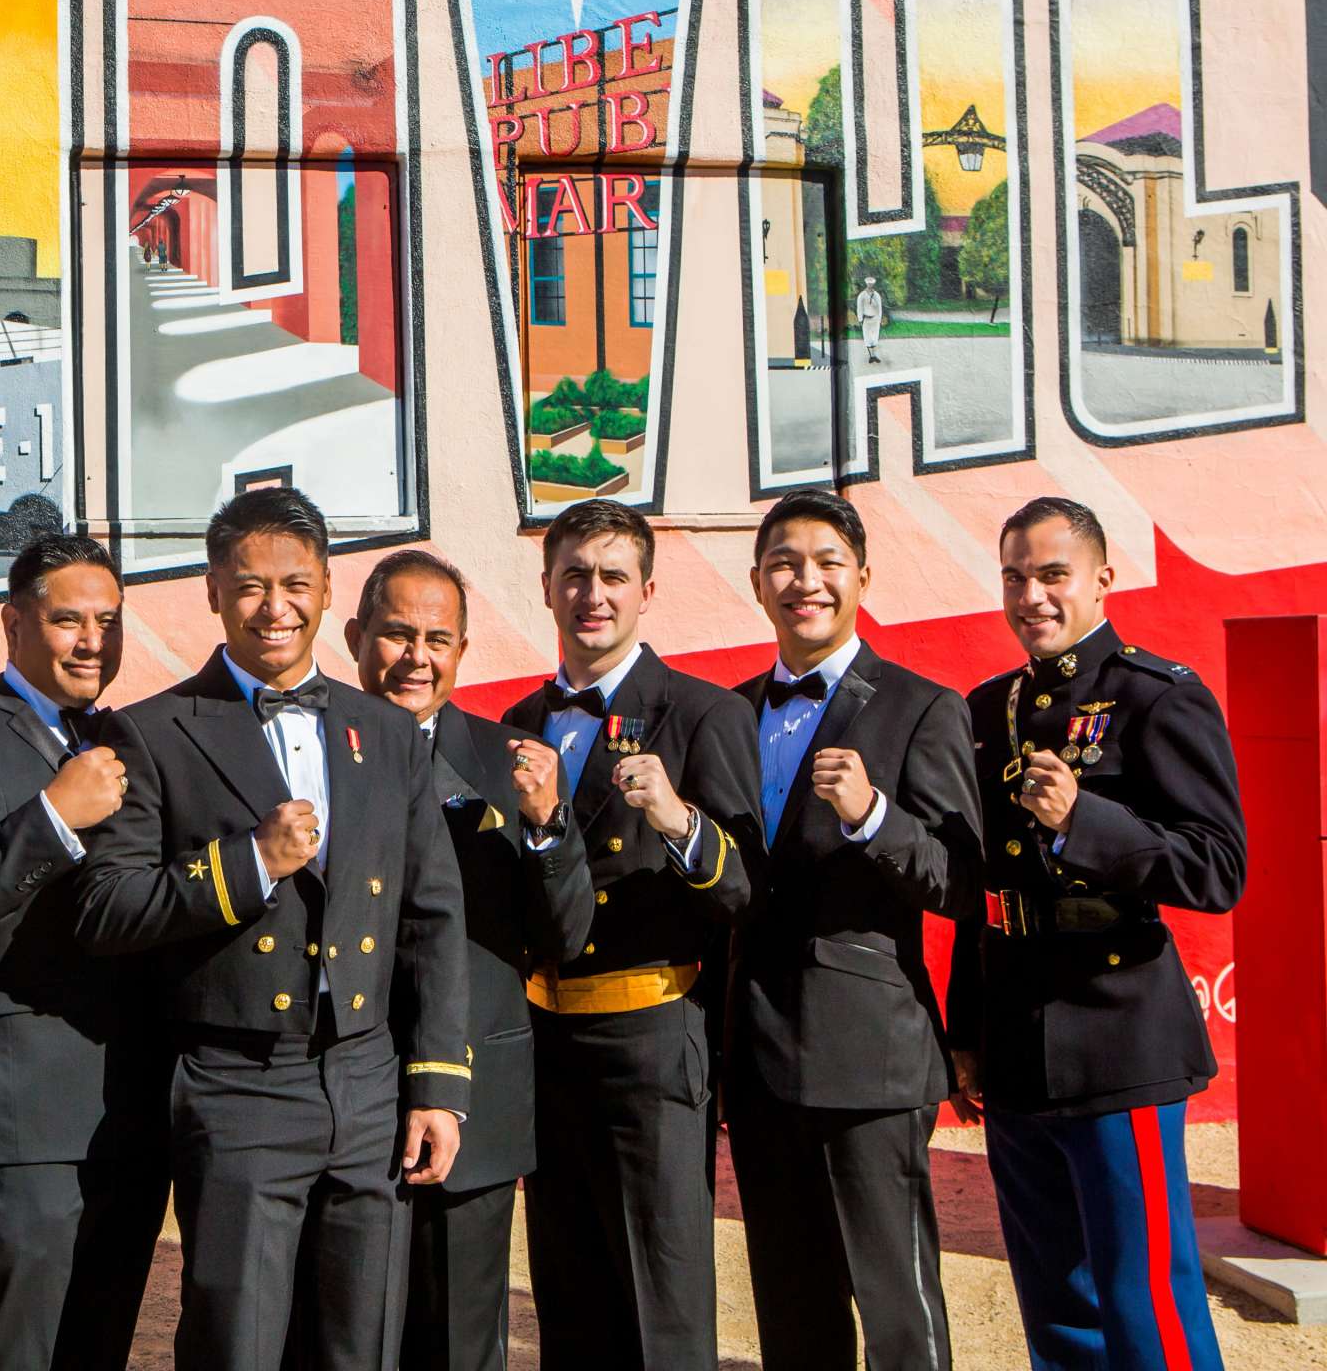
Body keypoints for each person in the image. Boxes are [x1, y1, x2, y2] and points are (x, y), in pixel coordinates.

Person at [75, 485, 470, 1371]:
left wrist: (437, 1084)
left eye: (295, 583)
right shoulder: (153, 732)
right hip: (237, 1079)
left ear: (329, 591)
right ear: (212, 592)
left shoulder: (389, 731)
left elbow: (431, 918)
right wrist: (248, 862)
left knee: (359, 1344)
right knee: (237, 1345)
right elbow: (108, 908)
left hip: (367, 1079)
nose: (274, 607)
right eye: (250, 585)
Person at [949, 497, 1241, 1371]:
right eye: (1014, 577)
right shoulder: (986, 706)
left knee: (1142, 1293)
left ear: (1101, 580)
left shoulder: (1158, 697)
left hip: (1119, 1033)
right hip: (1016, 1034)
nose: (1031, 596)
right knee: (1054, 1302)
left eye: (1051, 575)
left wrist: (1088, 822)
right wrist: (967, 1030)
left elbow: (1217, 869)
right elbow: (981, 884)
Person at [498, 497, 762, 1371]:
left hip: (649, 1036)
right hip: (547, 1038)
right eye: (574, 575)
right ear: (546, 588)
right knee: (569, 1292)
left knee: (662, 1296)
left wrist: (680, 818)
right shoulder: (521, 724)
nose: (592, 595)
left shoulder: (703, 713)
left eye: (613, 576)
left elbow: (743, 886)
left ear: (648, 590)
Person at [0, 534, 168, 1371]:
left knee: (98, 1348)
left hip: (132, 1109)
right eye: (68, 620)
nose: (93, 640)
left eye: (108, 620)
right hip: (22, 1121)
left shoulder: (136, 738)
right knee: (15, 1353)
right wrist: (50, 815)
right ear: (14, 624)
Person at [727, 489, 981, 1370]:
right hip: (753, 1056)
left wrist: (874, 815)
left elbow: (960, 879)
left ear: (863, 578)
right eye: (786, 564)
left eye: (828, 562)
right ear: (757, 582)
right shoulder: (726, 711)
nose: (807, 581)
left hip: (869, 1057)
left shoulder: (921, 707)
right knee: (791, 1306)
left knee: (898, 1309)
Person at [344, 549, 585, 1371]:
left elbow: (563, 939)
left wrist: (549, 826)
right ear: (355, 637)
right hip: (344, 1093)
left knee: (461, 1344)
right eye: (397, 634)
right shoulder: (307, 749)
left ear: (462, 648)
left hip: (478, 1095)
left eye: (438, 639)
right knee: (343, 1334)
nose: (418, 657)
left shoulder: (514, 761)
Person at [856, 274, 886, 365]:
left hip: (875, 318)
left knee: (874, 337)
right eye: (868, 283)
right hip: (866, 319)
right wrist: (860, 319)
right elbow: (859, 308)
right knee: (867, 337)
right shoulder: (862, 295)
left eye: (871, 284)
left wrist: (879, 319)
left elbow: (879, 308)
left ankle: (875, 355)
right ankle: (871, 356)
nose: (870, 285)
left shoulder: (876, 295)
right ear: (866, 284)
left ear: (873, 284)